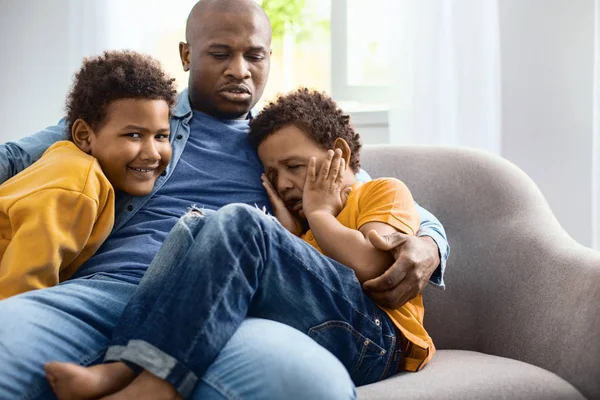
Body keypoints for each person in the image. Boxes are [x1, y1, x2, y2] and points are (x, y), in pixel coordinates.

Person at [0, 1, 448, 399]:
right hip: (105, 289)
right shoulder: (134, 113)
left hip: (231, 308)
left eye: (254, 55)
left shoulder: (279, 143)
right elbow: (14, 158)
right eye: (220, 54)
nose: (240, 69)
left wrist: (430, 245)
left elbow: (378, 199)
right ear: (187, 55)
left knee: (304, 383)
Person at [44, 88, 437, 400]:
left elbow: (374, 268)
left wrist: (318, 215)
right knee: (194, 228)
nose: (283, 184)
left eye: (295, 167)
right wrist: (289, 234)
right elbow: (307, 285)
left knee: (241, 219)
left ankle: (159, 388)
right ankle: (123, 365)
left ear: (339, 154)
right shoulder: (302, 226)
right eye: (273, 173)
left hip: (379, 342)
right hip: (329, 328)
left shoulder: (380, 192)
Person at [0, 50, 175, 299]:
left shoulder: (72, 166)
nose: (152, 153)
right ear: (84, 135)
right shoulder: (76, 184)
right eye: (133, 135)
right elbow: (20, 287)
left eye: (161, 136)